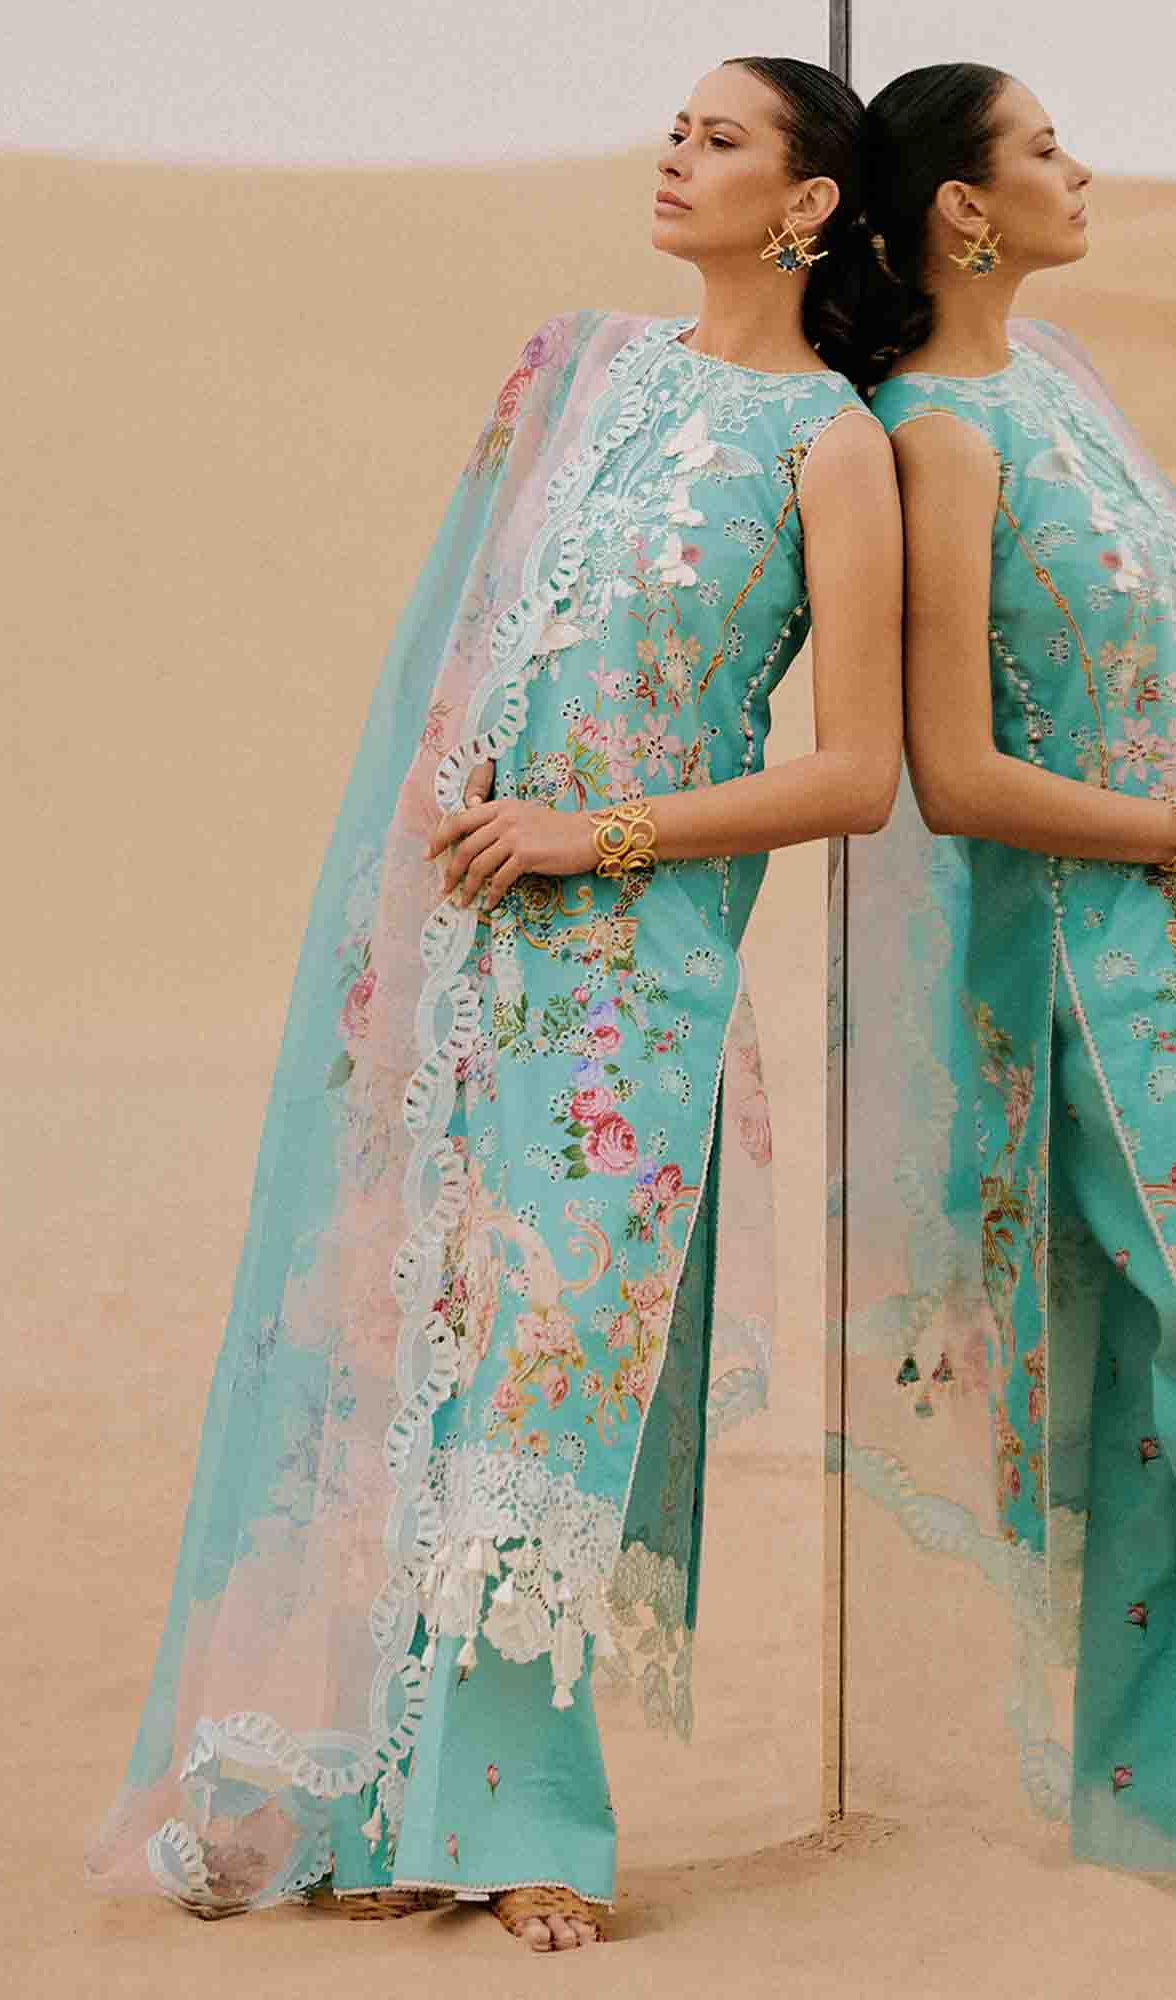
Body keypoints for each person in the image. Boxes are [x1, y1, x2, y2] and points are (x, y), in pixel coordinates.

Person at [83, 54, 903, 1951]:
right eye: (673, 128)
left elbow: (857, 773)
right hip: (457, 960)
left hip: (631, 991)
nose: (672, 156)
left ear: (808, 203)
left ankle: (527, 1821)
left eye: (719, 138)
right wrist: (428, 897)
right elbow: (441, 668)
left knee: (551, 1387)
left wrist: (584, 835)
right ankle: (369, 1802)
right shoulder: (572, 370)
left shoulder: (834, 448)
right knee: (411, 1374)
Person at [861, 63, 1176, 1871]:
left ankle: (1146, 1791)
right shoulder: (934, 437)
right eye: (1046, 147)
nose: (1085, 168)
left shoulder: (1058, 378)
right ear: (963, 208)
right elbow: (957, 774)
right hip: (1092, 967)